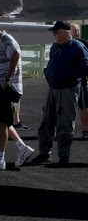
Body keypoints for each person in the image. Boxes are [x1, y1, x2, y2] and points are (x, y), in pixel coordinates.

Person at [0, 21, 34, 170]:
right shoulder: (1, 41)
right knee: (4, 122)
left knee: (1, 124)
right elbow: (9, 59)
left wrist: (7, 79)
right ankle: (22, 148)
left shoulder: (5, 39)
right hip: (6, 87)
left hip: (8, 88)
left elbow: (15, 55)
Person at [31, 21, 88, 166]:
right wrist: (47, 72)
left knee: (65, 122)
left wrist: (68, 74)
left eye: (56, 32)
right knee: (46, 122)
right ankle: (44, 153)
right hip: (53, 87)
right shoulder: (56, 47)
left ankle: (64, 155)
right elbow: (52, 63)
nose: (54, 34)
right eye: (53, 32)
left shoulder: (77, 47)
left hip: (68, 88)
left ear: (65, 32)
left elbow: (85, 67)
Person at [70, 23, 88, 139]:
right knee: (67, 107)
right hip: (69, 80)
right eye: (74, 30)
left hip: (82, 79)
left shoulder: (84, 44)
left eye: (78, 30)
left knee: (83, 105)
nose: (77, 32)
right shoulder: (65, 45)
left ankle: (85, 130)